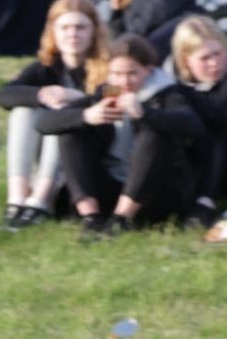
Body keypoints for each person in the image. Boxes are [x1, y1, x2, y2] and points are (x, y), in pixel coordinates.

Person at [42, 34, 208, 236]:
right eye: (117, 74)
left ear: (148, 70)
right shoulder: (108, 93)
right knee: (71, 133)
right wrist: (87, 115)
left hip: (158, 193)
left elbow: (193, 125)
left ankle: (122, 219)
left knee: (154, 133)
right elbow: (44, 123)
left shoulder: (166, 92)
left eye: (132, 73)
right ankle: (91, 218)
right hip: (113, 186)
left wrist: (146, 113)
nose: (124, 81)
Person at [0, 0, 111, 230]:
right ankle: (17, 198)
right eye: (64, 27)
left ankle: (41, 200)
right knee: (23, 111)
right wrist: (41, 94)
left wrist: (77, 97)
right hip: (47, 158)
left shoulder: (109, 66)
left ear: (94, 31)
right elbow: (5, 95)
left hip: (88, 159)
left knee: (62, 117)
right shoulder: (46, 67)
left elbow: (114, 103)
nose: (72, 34)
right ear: (53, 32)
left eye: (80, 27)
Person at [170, 18, 227, 240]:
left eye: (218, 53)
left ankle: (206, 200)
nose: (214, 63)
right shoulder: (175, 84)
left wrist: (186, 92)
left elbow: (219, 116)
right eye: (205, 58)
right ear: (186, 61)